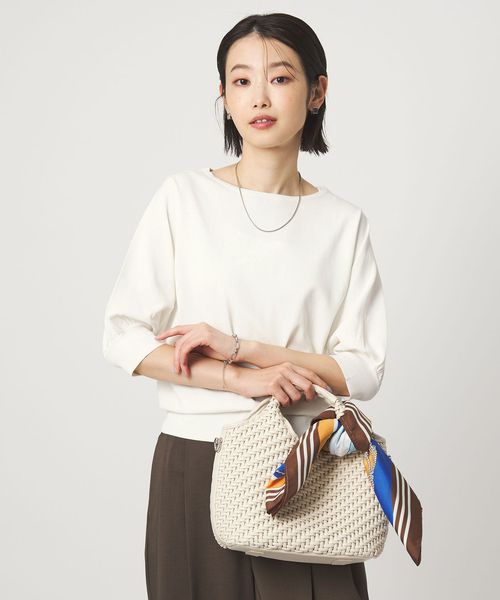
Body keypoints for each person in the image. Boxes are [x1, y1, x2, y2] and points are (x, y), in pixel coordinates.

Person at [102, 12, 386, 600]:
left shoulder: (343, 223)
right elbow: (123, 336)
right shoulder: (183, 198)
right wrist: (238, 378)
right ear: (224, 97)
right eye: (240, 80)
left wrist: (250, 350)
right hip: (197, 459)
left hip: (307, 466)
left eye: (279, 78)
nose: (259, 96)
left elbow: (363, 370)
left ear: (317, 91)